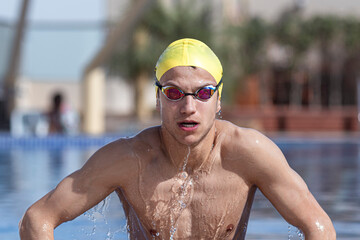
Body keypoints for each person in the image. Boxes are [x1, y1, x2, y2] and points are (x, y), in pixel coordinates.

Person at [19, 38, 336, 239]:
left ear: (218, 100)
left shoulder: (248, 153)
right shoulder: (128, 160)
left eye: (203, 93)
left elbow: (319, 228)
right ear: (158, 100)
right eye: (173, 93)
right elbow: (38, 219)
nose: (188, 107)